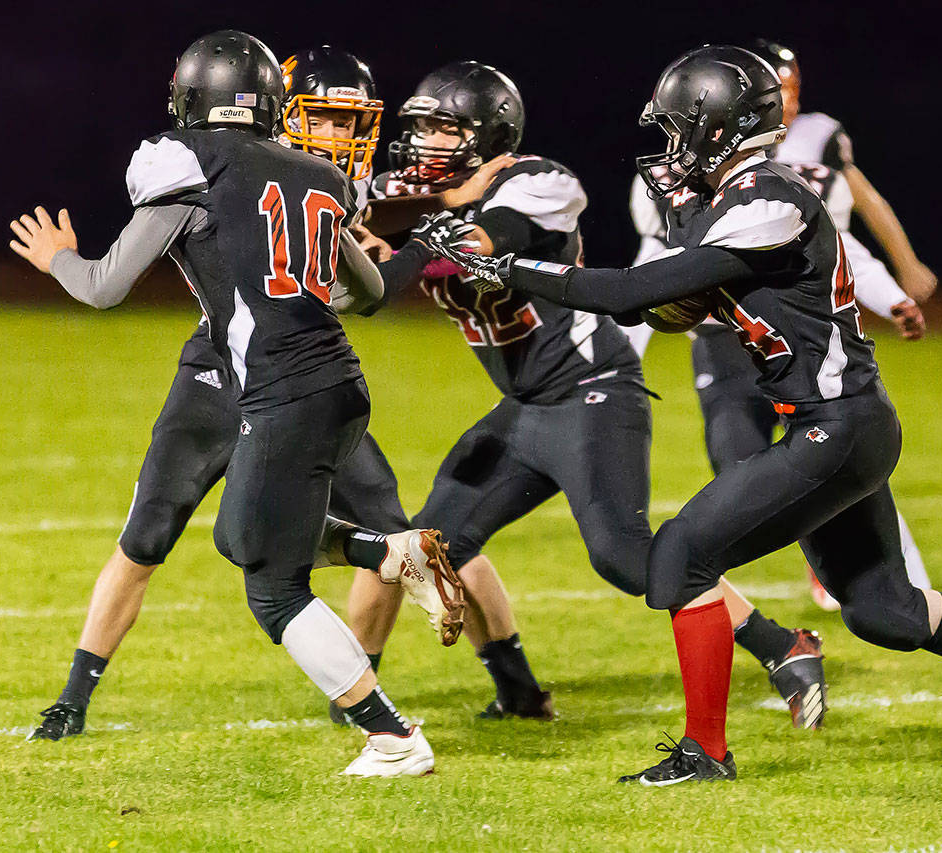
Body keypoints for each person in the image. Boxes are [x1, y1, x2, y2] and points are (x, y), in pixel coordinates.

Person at [427, 44, 942, 783]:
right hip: (834, 422)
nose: (670, 146)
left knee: (682, 552)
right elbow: (673, 305)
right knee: (885, 612)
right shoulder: (731, 199)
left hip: (837, 425)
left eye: (679, 127)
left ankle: (705, 752)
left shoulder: (769, 200)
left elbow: (628, 294)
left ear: (717, 128)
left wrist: (507, 267)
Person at [8, 31, 463, 777]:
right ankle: (385, 552)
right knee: (240, 536)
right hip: (340, 386)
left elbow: (104, 286)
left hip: (280, 391)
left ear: (190, 98)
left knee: (274, 590)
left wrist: (57, 256)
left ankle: (392, 738)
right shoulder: (320, 175)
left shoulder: (187, 164)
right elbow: (371, 292)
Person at [339, 61, 829, 728]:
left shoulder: (539, 182)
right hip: (526, 407)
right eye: (421, 129)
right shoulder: (416, 195)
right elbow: (352, 224)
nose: (425, 143)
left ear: (487, 134)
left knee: (625, 557)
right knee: (429, 547)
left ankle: (783, 646)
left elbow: (479, 241)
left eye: (442, 129)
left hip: (593, 392)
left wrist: (411, 234)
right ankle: (517, 693)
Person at [625, 40, 934, 611]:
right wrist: (626, 342)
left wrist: (893, 293)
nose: (787, 101)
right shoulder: (683, 168)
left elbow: (841, 243)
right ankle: (847, 580)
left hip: (800, 349)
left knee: (833, 471)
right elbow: (655, 258)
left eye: (792, 89)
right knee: (739, 467)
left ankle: (882, 581)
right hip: (727, 342)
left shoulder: (808, 168)